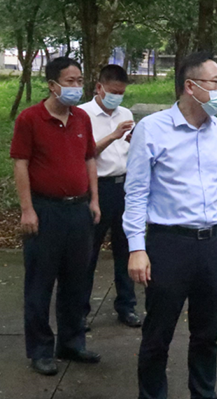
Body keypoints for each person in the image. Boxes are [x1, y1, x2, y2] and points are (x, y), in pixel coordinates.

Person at [124, 51, 217, 399]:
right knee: (158, 334)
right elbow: (136, 192)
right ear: (191, 86)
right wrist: (136, 247)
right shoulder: (153, 129)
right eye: (216, 82)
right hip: (168, 244)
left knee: (207, 334)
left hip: (212, 244)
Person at [10, 57, 102, 376]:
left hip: (78, 210)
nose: (77, 86)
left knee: (76, 281)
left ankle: (71, 342)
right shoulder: (30, 119)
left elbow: (89, 159)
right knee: (40, 282)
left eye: (79, 81)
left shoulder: (81, 118)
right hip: (45, 210)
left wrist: (94, 200)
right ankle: (40, 349)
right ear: (52, 85)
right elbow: (20, 164)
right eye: (70, 81)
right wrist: (27, 209)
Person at [79, 64, 140, 329]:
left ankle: (126, 305)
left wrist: (132, 140)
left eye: (121, 92)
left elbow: (129, 147)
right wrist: (114, 135)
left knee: (125, 248)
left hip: (124, 185)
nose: (117, 97)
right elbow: (85, 153)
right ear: (99, 87)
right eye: (113, 91)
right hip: (97, 187)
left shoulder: (125, 113)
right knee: (88, 251)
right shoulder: (82, 114)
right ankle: (79, 310)